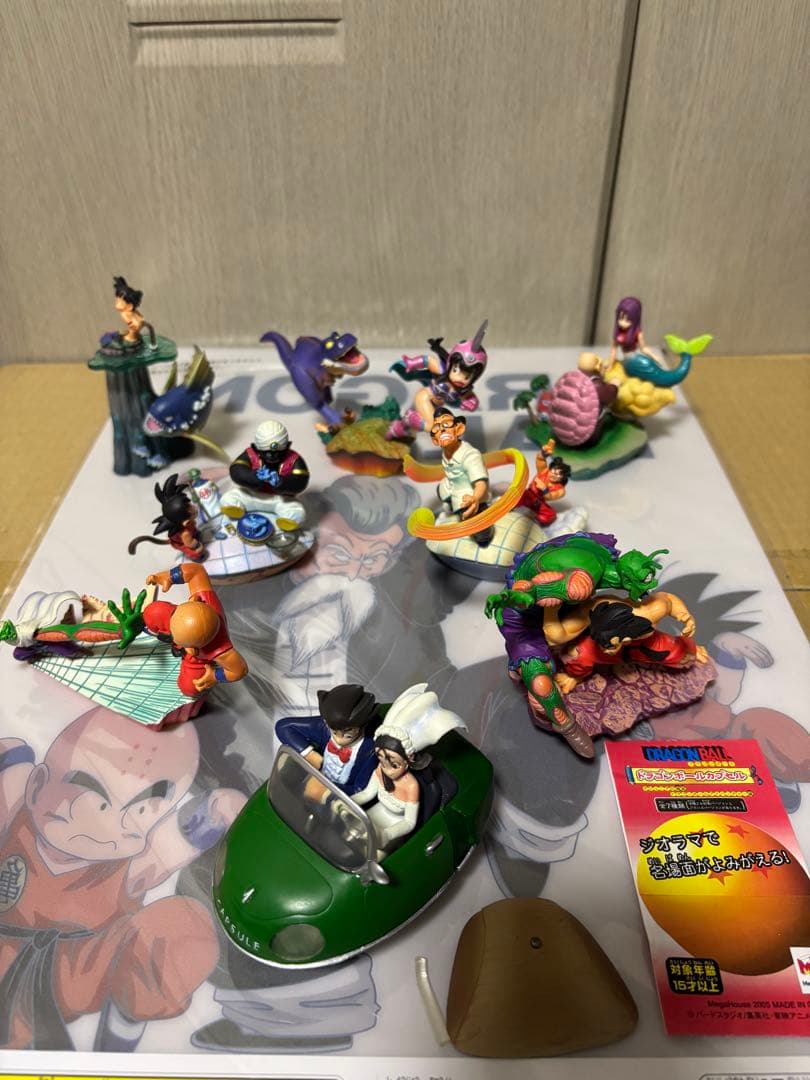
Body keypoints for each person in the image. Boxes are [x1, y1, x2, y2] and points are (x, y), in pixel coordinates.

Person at [0, 706, 245, 1051]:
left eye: (141, 808)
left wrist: (212, 815)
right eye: (89, 789)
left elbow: (176, 838)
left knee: (183, 924)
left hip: (76, 975)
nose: (113, 821)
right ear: (38, 786)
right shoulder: (14, 807)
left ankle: (121, 1032)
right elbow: (11, 765)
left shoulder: (132, 863)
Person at [349, 683, 465, 857]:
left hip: (394, 827)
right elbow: (366, 794)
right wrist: (347, 802)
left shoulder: (411, 786)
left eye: (394, 765)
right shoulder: (380, 770)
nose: (387, 769)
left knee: (374, 856)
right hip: (373, 816)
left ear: (409, 760)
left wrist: (387, 835)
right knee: (346, 833)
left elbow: (409, 822)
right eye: (381, 759)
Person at [142, 563, 248, 696]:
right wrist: (169, 576)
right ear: (194, 600)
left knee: (190, 688)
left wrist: (215, 676)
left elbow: (240, 670)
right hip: (180, 615)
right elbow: (196, 571)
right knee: (153, 611)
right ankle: (165, 619)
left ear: (190, 649)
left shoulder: (220, 651)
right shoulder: (206, 600)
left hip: (198, 658)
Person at [386, 321, 488, 439]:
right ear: (450, 364)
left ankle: (398, 428)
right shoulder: (441, 370)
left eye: (467, 377)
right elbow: (427, 360)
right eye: (456, 370)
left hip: (435, 405)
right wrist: (412, 363)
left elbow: (471, 399)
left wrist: (473, 404)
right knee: (432, 426)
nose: (460, 378)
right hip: (425, 397)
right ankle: (409, 419)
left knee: (417, 422)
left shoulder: (464, 390)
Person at [275, 684, 379, 796]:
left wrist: (326, 790)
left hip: (338, 797)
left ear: (363, 725)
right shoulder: (325, 726)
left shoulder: (371, 749)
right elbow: (283, 727)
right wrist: (309, 754)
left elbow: (361, 789)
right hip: (312, 777)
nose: (338, 740)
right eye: (334, 732)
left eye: (348, 735)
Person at [221, 419, 309, 523]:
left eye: (277, 453)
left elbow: (301, 481)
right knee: (228, 498)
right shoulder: (251, 454)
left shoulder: (293, 458)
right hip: (252, 494)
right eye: (267, 453)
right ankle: (236, 509)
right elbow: (236, 470)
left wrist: (281, 482)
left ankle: (287, 521)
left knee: (297, 512)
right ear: (256, 448)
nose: (272, 456)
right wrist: (254, 477)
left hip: (281, 499)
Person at [431, 407, 493, 546]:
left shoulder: (470, 455)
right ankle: (451, 506)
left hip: (470, 494)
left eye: (446, 424)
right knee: (441, 489)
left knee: (480, 530)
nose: (442, 429)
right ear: (435, 440)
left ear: (458, 429)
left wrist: (475, 499)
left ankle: (483, 529)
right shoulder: (445, 453)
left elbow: (480, 483)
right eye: (437, 427)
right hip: (454, 486)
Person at [128, 474, 205, 561]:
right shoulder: (185, 534)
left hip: (187, 534)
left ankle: (195, 536)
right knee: (197, 551)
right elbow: (190, 544)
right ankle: (197, 557)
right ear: (186, 522)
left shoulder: (187, 525)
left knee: (195, 534)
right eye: (193, 512)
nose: (195, 508)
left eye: (190, 505)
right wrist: (197, 544)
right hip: (181, 542)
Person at [517, 438, 572, 526]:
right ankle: (510, 509)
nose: (555, 475)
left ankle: (534, 521)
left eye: (559, 475)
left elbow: (551, 497)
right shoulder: (544, 471)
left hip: (539, 502)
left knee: (551, 515)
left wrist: (544, 489)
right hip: (527, 494)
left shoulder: (560, 490)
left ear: (563, 478)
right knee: (515, 496)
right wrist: (543, 453)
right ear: (550, 469)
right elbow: (540, 460)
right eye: (554, 471)